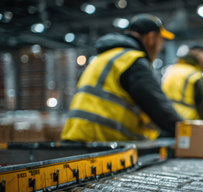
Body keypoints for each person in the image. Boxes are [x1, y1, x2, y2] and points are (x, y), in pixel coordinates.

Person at [61, 14, 183, 142]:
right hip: (100, 141)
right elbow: (158, 107)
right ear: (151, 38)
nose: (160, 48)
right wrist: (187, 131)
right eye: (160, 41)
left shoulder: (106, 57)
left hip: (77, 136)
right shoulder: (131, 61)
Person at [162, 45, 203, 120]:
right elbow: (202, 106)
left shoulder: (172, 69)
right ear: (200, 54)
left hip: (165, 116)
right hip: (186, 121)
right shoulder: (195, 75)